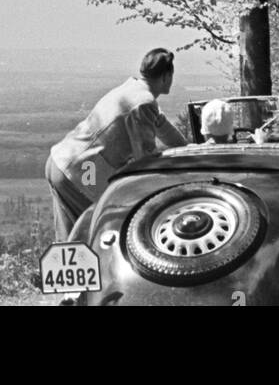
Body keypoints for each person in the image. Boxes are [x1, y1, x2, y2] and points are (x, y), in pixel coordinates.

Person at [45, 48, 186, 241]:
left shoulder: (132, 90)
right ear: (166, 76)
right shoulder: (144, 102)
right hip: (82, 170)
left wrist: (190, 149)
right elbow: (145, 159)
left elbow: (162, 127)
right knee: (103, 232)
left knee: (70, 243)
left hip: (60, 163)